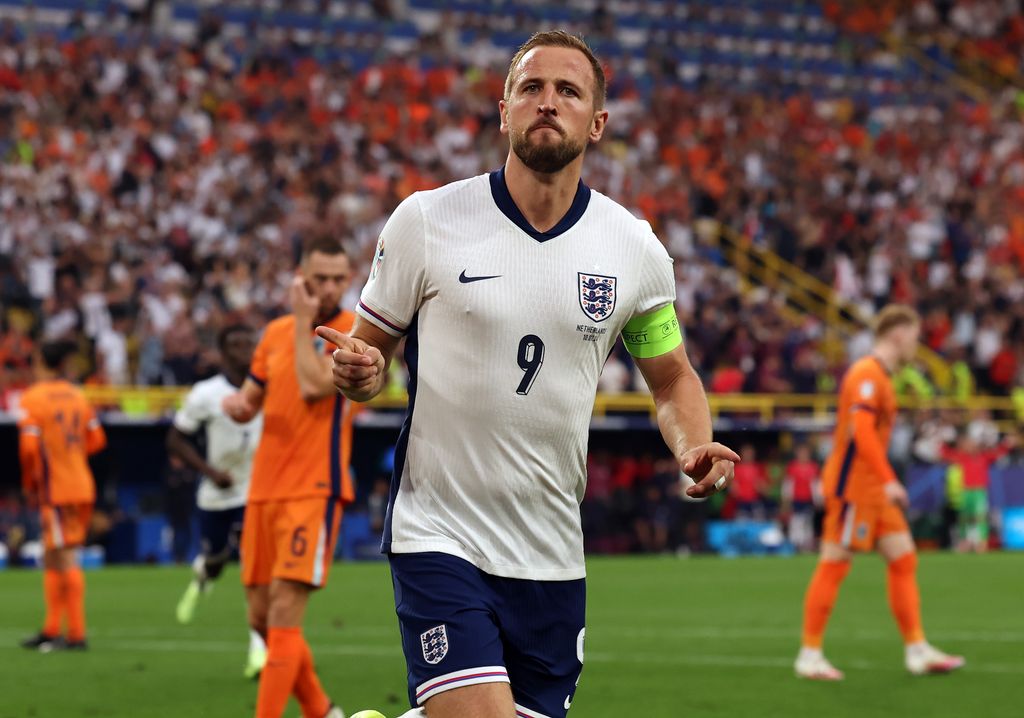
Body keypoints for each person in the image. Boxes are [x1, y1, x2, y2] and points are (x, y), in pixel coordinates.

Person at [317, 30, 738, 718]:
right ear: (504, 109)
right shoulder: (428, 221)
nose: (548, 102)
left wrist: (691, 444)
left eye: (568, 91)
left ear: (597, 123)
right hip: (440, 531)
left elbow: (671, 379)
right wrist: (359, 372)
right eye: (531, 88)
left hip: (549, 550)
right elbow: (366, 356)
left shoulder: (633, 248)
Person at [222, 236, 355, 718]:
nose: (329, 287)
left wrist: (304, 324)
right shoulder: (275, 332)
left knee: (283, 614)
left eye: (338, 278)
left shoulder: (354, 330)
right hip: (264, 489)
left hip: (314, 487)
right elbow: (251, 398)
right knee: (261, 618)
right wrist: (238, 407)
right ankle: (322, 710)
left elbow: (315, 384)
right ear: (300, 275)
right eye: (319, 277)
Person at [795, 304, 965, 680]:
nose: (916, 346)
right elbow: (862, 432)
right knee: (835, 562)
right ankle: (809, 654)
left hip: (873, 490)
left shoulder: (883, 377)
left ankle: (917, 649)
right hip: (855, 488)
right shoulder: (867, 374)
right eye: (916, 337)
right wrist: (889, 478)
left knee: (904, 559)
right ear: (898, 333)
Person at [168, 323, 268, 679]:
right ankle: (201, 579)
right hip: (216, 493)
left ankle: (259, 650)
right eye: (236, 343)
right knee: (215, 559)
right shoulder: (205, 394)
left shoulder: (270, 387)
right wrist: (210, 473)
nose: (244, 349)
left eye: (248, 343)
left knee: (254, 572)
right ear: (223, 352)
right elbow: (176, 440)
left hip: (255, 492)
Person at [17, 340, 106, 652]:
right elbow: (97, 439)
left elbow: (29, 447)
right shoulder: (78, 395)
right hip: (80, 482)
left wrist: (31, 480)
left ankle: (76, 633)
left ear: (40, 360)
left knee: (64, 555)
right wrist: (73, 455)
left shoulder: (33, 398)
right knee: (53, 555)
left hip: (55, 488)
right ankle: (52, 628)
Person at [939, 431, 1015, 553]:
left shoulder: (983, 457)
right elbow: (945, 454)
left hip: (979, 491)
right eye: (967, 444)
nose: (970, 446)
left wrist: (1007, 444)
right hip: (965, 491)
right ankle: (965, 542)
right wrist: (942, 442)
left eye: (972, 444)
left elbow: (999, 453)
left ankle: (981, 542)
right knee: (964, 517)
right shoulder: (962, 457)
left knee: (980, 517)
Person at [782, 443, 820, 552]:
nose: (803, 455)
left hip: (808, 500)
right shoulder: (792, 467)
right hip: (796, 500)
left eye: (805, 453)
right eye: (801, 453)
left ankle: (807, 546)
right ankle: (795, 545)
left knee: (808, 523)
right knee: (796, 522)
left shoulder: (813, 467)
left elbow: (816, 485)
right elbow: (788, 485)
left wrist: (818, 500)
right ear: (797, 454)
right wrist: (786, 500)